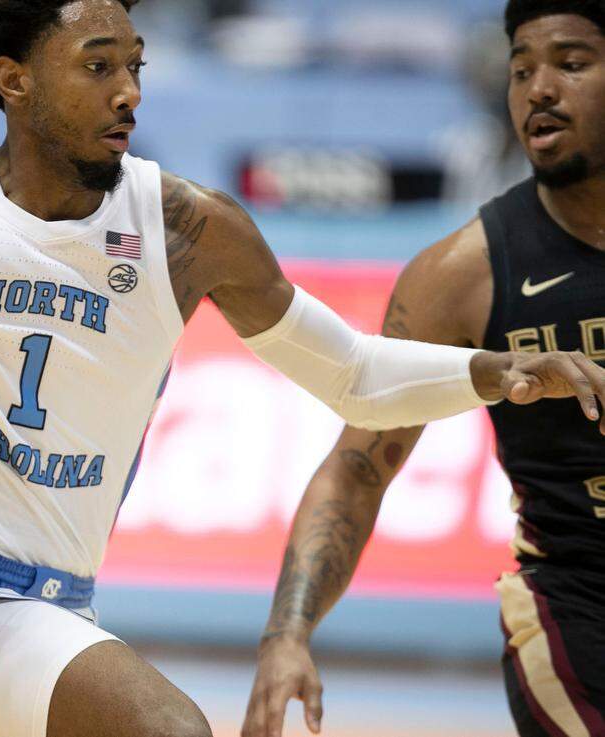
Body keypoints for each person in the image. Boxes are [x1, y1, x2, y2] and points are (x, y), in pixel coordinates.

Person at [0, 2, 605, 736]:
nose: (128, 89)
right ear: (14, 80)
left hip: (58, 610)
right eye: (98, 65)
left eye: (135, 65)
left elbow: (354, 375)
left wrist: (497, 372)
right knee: (164, 725)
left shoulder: (187, 228)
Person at [242, 2, 605, 736]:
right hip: (577, 605)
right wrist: (288, 632)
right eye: (521, 70)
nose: (538, 88)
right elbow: (357, 466)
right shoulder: (461, 274)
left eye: (570, 63)